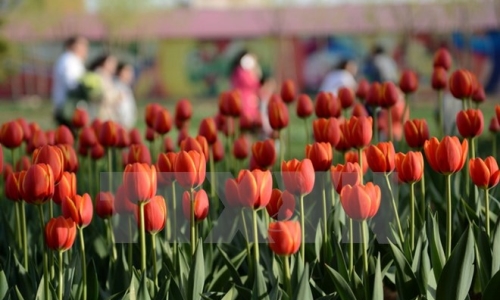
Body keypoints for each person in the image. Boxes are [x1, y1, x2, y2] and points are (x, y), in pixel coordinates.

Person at [52, 36, 88, 126]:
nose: (85, 48)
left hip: (72, 107)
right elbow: (72, 84)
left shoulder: (74, 60)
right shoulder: (68, 60)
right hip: (68, 108)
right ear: (71, 46)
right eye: (82, 45)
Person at [230, 50, 262, 126]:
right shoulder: (240, 72)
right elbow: (253, 83)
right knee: (246, 119)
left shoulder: (246, 71)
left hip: (250, 98)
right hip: (244, 99)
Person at [86, 54, 120, 122]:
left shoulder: (108, 76)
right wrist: (116, 97)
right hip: (101, 113)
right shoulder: (98, 75)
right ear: (104, 63)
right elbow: (101, 95)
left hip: (109, 112)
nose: (114, 66)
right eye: (111, 63)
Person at [114, 62, 137, 129]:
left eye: (131, 72)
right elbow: (121, 109)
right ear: (120, 72)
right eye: (127, 71)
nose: (130, 74)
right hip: (119, 125)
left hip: (126, 125)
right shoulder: (116, 87)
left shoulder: (126, 88)